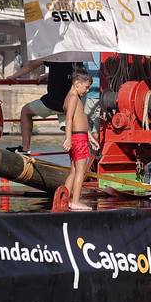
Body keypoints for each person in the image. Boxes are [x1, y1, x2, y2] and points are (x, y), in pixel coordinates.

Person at [14, 58, 75, 154]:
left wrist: (14, 76)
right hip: (70, 103)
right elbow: (67, 73)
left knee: (25, 112)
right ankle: (79, 151)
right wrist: (48, 75)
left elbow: (32, 64)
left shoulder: (55, 55)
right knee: (70, 129)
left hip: (53, 102)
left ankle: (25, 149)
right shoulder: (76, 57)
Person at [62, 69, 98, 211]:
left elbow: (80, 119)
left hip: (81, 136)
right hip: (77, 139)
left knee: (74, 170)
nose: (87, 90)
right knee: (80, 171)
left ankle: (64, 200)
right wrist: (68, 139)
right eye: (86, 87)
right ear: (77, 84)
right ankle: (75, 201)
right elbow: (69, 119)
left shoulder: (74, 97)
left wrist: (90, 137)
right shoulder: (72, 98)